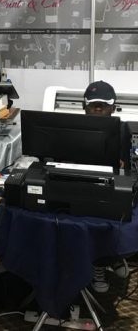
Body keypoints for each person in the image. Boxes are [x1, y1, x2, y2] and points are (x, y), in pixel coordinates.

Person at [83, 80, 131, 293]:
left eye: (103, 105)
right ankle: (98, 264)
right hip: (83, 185)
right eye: (94, 105)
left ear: (113, 107)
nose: (98, 109)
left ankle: (113, 255)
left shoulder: (123, 131)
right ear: (85, 107)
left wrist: (122, 167)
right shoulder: (72, 128)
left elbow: (126, 167)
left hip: (111, 186)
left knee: (115, 213)